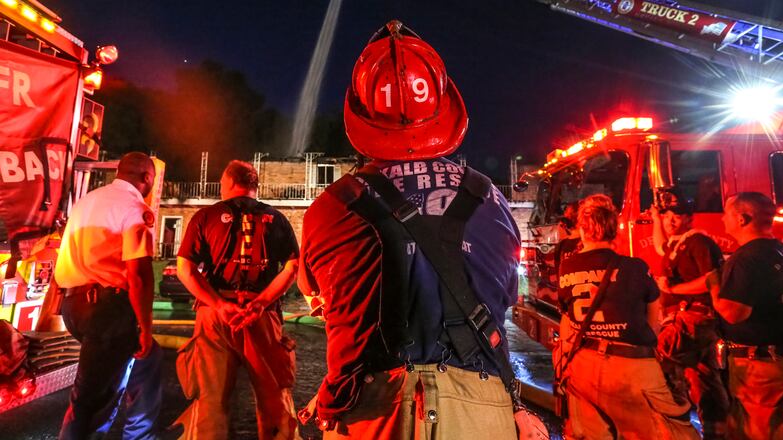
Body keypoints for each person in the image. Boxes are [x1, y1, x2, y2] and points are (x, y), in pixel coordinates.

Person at [297, 20, 546, 439]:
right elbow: (503, 299)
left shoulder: (330, 207)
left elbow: (328, 307)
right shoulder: (490, 199)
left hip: (372, 410)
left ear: (361, 114)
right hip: (480, 408)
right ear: (443, 106)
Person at [174, 160, 299, 440]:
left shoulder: (205, 217)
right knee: (274, 398)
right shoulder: (276, 219)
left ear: (228, 183)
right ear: (254, 186)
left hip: (215, 316)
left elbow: (185, 269)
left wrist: (219, 305)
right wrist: (260, 303)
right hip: (261, 316)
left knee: (211, 401)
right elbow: (292, 268)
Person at [556, 194, 698, 439]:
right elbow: (654, 325)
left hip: (583, 366)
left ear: (581, 229)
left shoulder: (567, 268)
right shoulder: (635, 267)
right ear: (614, 229)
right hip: (632, 369)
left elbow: (567, 319)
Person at [55, 152, 162, 440]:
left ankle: (141, 432)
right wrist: (146, 327)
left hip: (73, 304)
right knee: (94, 402)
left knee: (139, 367)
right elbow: (139, 274)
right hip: (107, 309)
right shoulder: (134, 207)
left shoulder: (87, 201)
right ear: (147, 178)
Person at [708, 192, 783, 440]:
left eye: (727, 214)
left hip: (761, 368)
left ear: (742, 219)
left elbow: (734, 313)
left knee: (759, 430)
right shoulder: (782, 251)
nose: (722, 220)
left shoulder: (746, 258)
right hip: (781, 358)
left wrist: (714, 286)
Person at [650, 195, 729, 438]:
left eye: (677, 215)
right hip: (690, 320)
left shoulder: (698, 241)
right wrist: (654, 218)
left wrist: (672, 290)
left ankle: (675, 429)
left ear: (689, 218)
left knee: (654, 363)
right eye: (667, 216)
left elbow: (711, 280)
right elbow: (659, 245)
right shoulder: (677, 243)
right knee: (703, 376)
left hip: (692, 319)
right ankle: (718, 430)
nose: (670, 221)